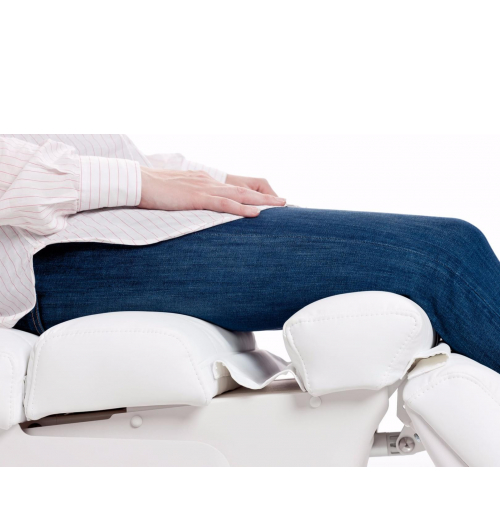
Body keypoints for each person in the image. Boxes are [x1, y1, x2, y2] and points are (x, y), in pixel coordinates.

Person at [2, 135, 500, 375]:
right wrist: (139, 183)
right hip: (50, 253)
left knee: (446, 251)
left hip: (87, 220)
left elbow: (59, 144)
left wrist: (197, 179)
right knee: (443, 257)